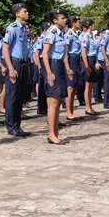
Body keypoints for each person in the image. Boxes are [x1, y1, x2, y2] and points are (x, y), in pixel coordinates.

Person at [1, 3, 32, 137]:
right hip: (15, 63)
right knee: (12, 96)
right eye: (25, 11)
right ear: (17, 13)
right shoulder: (12, 28)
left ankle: (17, 126)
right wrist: (11, 68)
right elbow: (5, 49)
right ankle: (11, 126)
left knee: (20, 96)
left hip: (24, 63)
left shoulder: (24, 28)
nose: (27, 13)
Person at [41, 9, 69, 145]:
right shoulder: (52, 32)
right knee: (53, 102)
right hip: (53, 65)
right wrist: (49, 72)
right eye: (62, 18)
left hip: (59, 65)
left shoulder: (61, 33)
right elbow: (45, 53)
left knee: (57, 101)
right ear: (55, 20)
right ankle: (51, 134)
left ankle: (56, 132)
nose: (65, 20)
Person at [64, 15, 83, 119]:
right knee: (70, 88)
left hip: (76, 60)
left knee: (74, 86)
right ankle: (68, 112)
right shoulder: (69, 35)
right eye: (78, 22)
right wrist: (68, 68)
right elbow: (65, 53)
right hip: (71, 60)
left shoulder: (75, 34)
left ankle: (71, 111)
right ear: (74, 23)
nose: (79, 23)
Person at [80, 19, 100, 115]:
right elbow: (83, 52)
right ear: (90, 26)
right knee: (88, 85)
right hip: (88, 60)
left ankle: (90, 106)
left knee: (91, 85)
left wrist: (96, 61)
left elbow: (94, 51)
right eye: (93, 25)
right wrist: (87, 66)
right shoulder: (86, 36)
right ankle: (88, 107)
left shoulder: (92, 36)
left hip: (92, 59)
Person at [32, 22, 50, 115]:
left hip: (46, 62)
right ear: (44, 30)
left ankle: (44, 107)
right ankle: (41, 107)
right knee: (42, 86)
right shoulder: (41, 39)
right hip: (41, 62)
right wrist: (39, 66)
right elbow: (36, 54)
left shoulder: (47, 38)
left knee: (45, 86)